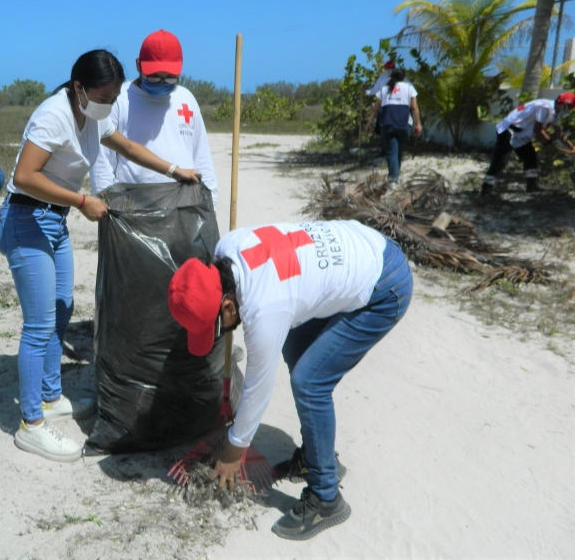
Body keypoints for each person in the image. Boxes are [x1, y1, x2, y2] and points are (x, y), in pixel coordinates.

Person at [0, 49, 202, 464]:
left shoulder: (94, 114)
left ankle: (52, 395)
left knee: (61, 308)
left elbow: (125, 146)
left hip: (52, 222)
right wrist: (80, 200)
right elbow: (24, 176)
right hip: (25, 220)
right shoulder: (53, 115)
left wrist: (173, 170)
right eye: (103, 97)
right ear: (79, 87)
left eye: (113, 98)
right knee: (38, 325)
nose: (109, 105)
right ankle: (31, 425)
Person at [168, 220, 413, 541]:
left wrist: (233, 449)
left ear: (228, 306)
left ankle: (326, 496)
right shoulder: (227, 248)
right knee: (296, 347)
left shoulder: (263, 310)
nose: (220, 333)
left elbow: (258, 388)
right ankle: (318, 456)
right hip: (359, 246)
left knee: (310, 382)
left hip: (384, 285)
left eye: (216, 326)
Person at [91, 29, 218, 208]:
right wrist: (106, 204)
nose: (162, 82)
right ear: (138, 65)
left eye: (169, 78)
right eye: (155, 76)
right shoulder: (119, 100)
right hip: (134, 205)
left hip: (184, 204)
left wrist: (210, 203)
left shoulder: (186, 99)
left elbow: (201, 155)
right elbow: (102, 161)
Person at [480, 92, 575, 196]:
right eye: (567, 108)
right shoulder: (545, 108)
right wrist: (548, 144)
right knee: (501, 159)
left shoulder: (554, 113)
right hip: (508, 130)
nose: (566, 111)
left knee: (530, 157)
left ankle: (532, 186)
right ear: (561, 103)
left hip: (520, 134)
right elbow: (537, 130)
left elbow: (559, 133)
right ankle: (486, 189)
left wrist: (572, 147)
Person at [365, 68, 421, 187]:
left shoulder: (384, 89)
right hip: (403, 125)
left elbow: (375, 109)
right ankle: (395, 177)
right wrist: (418, 125)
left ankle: (393, 179)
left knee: (391, 152)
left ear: (391, 77)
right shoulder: (409, 88)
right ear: (404, 77)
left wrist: (369, 123)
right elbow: (414, 109)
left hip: (387, 125)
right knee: (398, 151)